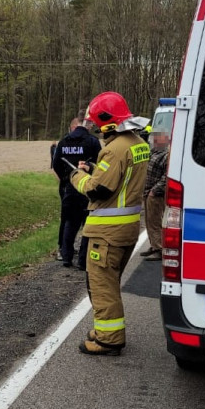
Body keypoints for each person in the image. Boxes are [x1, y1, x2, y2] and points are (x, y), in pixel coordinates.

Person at [69, 92, 150, 356]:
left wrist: (77, 176)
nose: (96, 129)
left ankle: (108, 339)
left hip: (107, 232)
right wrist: (96, 168)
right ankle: (105, 330)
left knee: (102, 284)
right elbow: (120, 180)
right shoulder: (137, 143)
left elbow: (98, 190)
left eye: (96, 123)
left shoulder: (114, 149)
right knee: (109, 281)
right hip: (126, 230)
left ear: (107, 122)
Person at [52, 116, 102, 269]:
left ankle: (66, 257)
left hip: (70, 188)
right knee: (88, 224)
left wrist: (67, 179)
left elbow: (56, 165)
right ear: (86, 125)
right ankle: (82, 261)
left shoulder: (64, 142)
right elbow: (100, 165)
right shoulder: (92, 141)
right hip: (87, 189)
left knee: (69, 223)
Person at [140, 134, 169, 261]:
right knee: (149, 221)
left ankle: (159, 248)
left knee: (155, 221)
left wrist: (155, 190)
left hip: (155, 194)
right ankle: (153, 245)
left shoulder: (166, 155)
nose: (155, 140)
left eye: (159, 138)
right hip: (147, 192)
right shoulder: (153, 151)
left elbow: (166, 177)